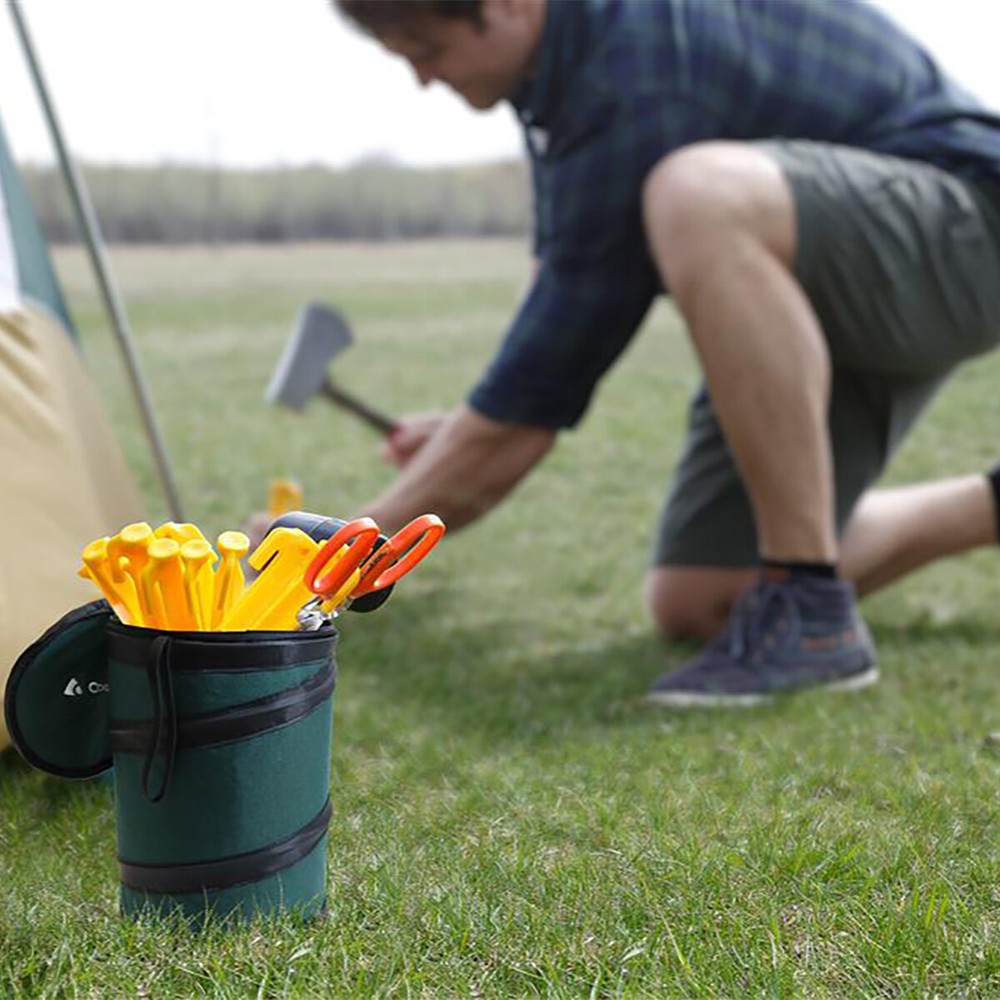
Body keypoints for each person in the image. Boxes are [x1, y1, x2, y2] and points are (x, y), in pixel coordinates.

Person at [331, 0, 1000, 707]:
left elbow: (529, 410)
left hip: (967, 232)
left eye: (426, 49)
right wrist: (461, 431)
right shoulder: (564, 75)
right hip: (839, 279)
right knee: (703, 598)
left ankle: (808, 613)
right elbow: (560, 304)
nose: (424, 80)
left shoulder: (632, 62)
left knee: (700, 194)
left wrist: (343, 558)